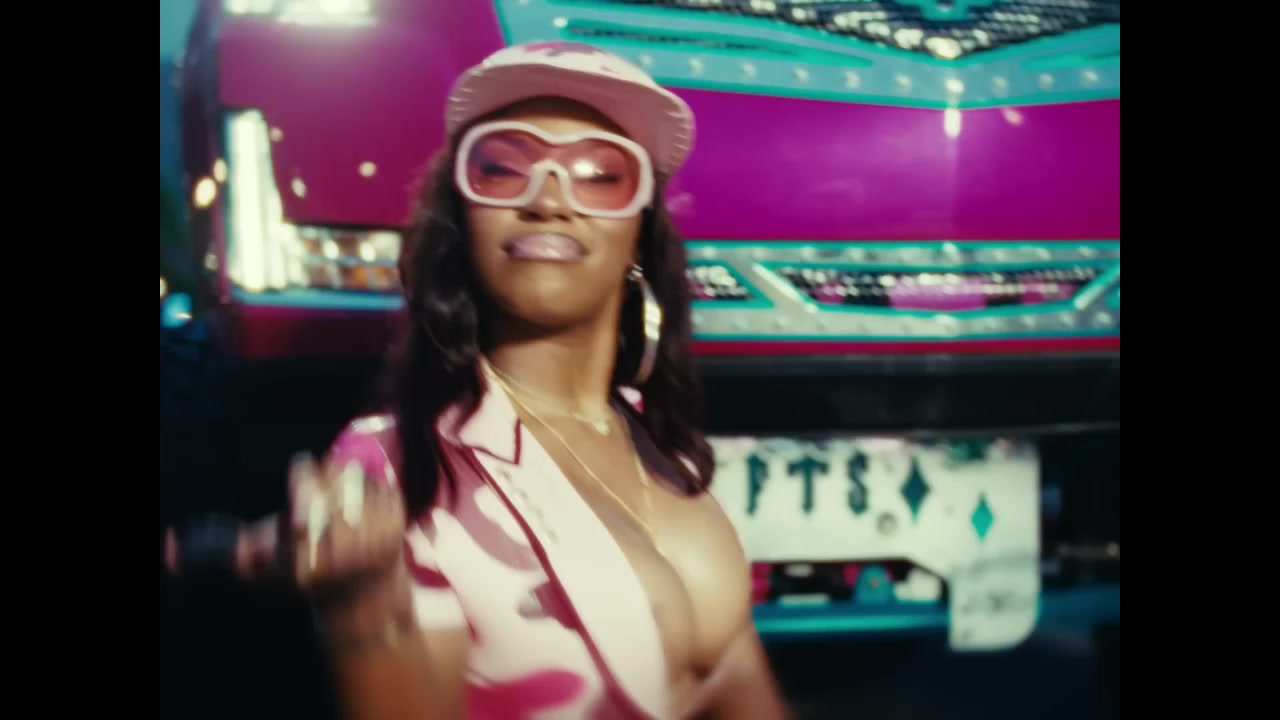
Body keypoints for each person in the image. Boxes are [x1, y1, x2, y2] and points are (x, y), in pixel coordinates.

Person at [166, 41, 789, 720]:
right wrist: (365, 613)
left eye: (599, 174)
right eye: (501, 167)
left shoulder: (664, 449)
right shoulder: (396, 464)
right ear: (463, 221)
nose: (548, 198)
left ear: (639, 236)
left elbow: (743, 690)